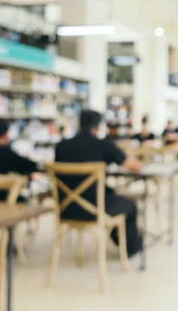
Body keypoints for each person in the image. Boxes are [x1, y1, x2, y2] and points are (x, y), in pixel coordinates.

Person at [55, 110, 144, 257]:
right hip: (96, 207)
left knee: (111, 195)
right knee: (129, 205)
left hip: (67, 208)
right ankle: (131, 248)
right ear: (98, 126)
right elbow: (132, 165)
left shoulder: (61, 146)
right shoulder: (102, 145)